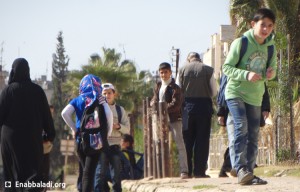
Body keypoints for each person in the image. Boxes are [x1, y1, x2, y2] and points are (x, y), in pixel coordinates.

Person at [222, 8, 277, 185]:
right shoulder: (241, 42)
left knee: (253, 134)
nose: (266, 29)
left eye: (270, 26)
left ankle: (249, 173)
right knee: (241, 127)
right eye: (262, 25)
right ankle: (240, 169)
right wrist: (246, 75)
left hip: (255, 96)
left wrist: (270, 73)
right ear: (253, 24)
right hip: (236, 92)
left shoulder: (270, 47)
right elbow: (226, 68)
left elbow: (273, 70)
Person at [0, 58, 56, 192]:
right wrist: (50, 136)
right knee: (31, 174)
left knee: (11, 176)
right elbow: (47, 118)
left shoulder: (7, 92)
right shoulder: (38, 91)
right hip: (32, 140)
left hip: (10, 141)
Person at [61, 74, 113, 192]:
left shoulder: (78, 99)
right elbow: (109, 116)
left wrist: (74, 129)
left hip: (80, 141)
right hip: (95, 142)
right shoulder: (100, 98)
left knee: (86, 171)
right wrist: (107, 134)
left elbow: (64, 113)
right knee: (88, 174)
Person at [176, 52, 217, 178]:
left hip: (187, 108)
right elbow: (214, 91)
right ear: (200, 59)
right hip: (204, 108)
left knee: (187, 140)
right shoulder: (207, 70)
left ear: (189, 60)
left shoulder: (182, 69)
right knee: (202, 140)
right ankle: (199, 172)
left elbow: (178, 88)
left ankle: (186, 171)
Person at [218, 84, 271, 177]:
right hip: (231, 109)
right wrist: (220, 112)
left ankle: (247, 169)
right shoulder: (229, 71)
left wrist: (265, 107)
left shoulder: (254, 71)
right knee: (234, 140)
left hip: (251, 106)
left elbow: (262, 87)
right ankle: (237, 168)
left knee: (250, 138)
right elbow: (222, 91)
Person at [151, 62, 189, 179]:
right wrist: (154, 106)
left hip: (174, 119)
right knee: (159, 144)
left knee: (179, 144)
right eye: (161, 72)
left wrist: (162, 108)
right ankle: (159, 170)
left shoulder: (175, 88)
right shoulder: (158, 86)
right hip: (160, 121)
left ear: (170, 73)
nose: (163, 75)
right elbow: (154, 101)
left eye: (166, 72)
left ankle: (184, 171)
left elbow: (176, 105)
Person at [94, 83, 130, 192]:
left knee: (116, 175)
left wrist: (118, 126)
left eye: (109, 93)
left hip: (115, 146)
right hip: (101, 146)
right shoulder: (98, 109)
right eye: (104, 93)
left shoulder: (120, 110)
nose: (107, 95)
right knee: (99, 174)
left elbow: (127, 129)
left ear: (114, 94)